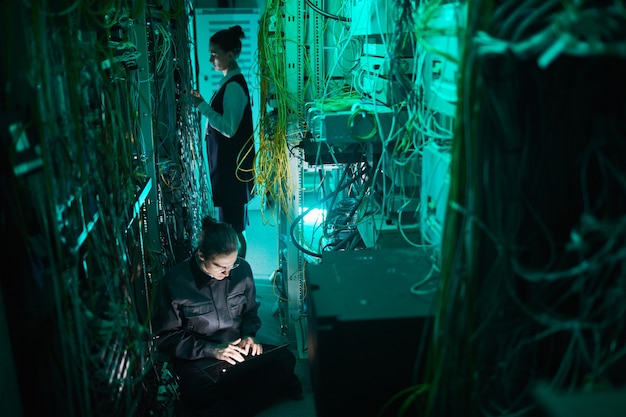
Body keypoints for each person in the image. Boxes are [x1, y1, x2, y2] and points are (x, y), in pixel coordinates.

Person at [152, 216, 302, 417]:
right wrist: (213, 350)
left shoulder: (243, 270)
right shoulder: (175, 283)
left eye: (233, 264)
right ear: (201, 255)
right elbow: (167, 337)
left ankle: (228, 407)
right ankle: (263, 393)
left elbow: (250, 312)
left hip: (239, 351)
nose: (229, 272)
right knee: (199, 390)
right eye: (221, 267)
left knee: (285, 359)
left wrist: (250, 335)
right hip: (199, 359)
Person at [191, 25, 255, 259]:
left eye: (214, 53)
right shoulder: (229, 82)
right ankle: (237, 273)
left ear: (230, 54)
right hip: (229, 171)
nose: (210, 59)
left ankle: (238, 275)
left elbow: (229, 128)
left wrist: (201, 106)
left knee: (233, 231)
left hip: (232, 173)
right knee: (232, 227)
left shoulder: (234, 86)